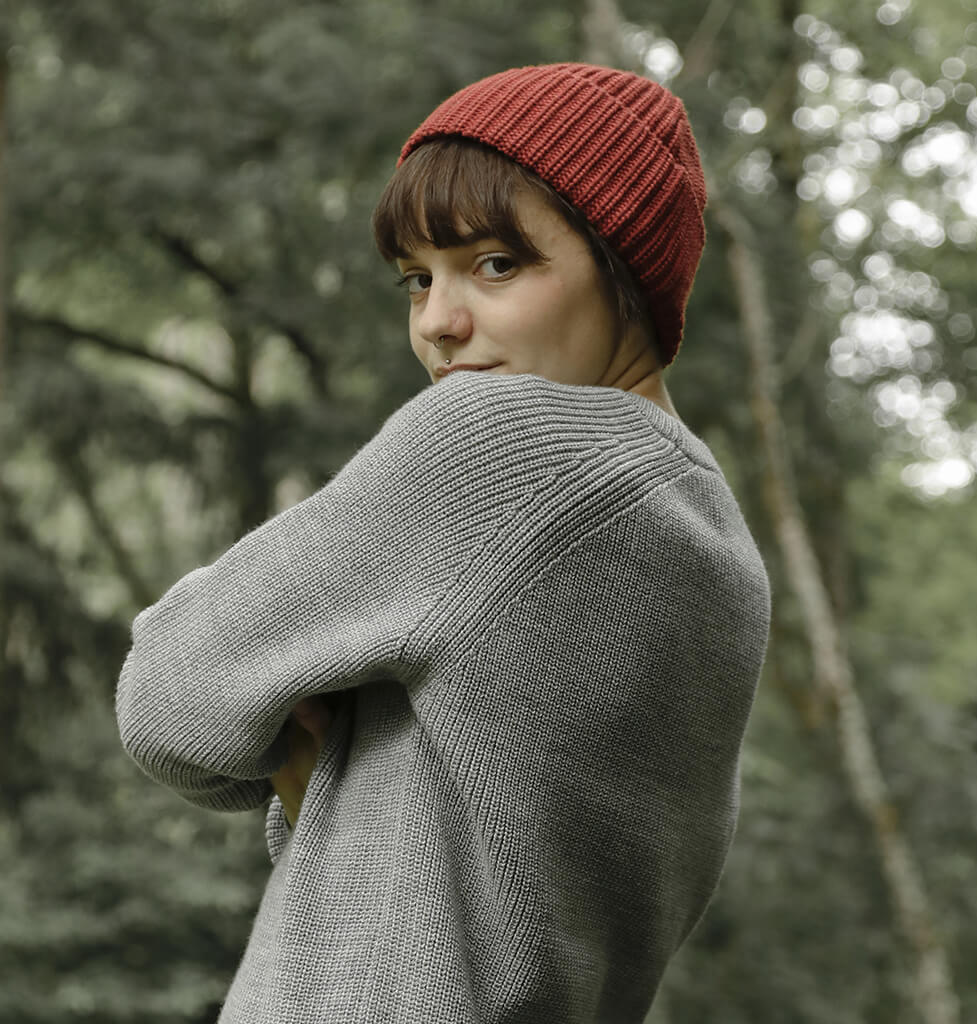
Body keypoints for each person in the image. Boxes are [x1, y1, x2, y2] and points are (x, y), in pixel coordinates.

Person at [116, 62, 771, 1023]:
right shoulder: (721, 551)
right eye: (418, 278)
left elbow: (167, 701)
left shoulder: (498, 442)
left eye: (497, 265)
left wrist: (297, 734)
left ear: (623, 267)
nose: (438, 324)